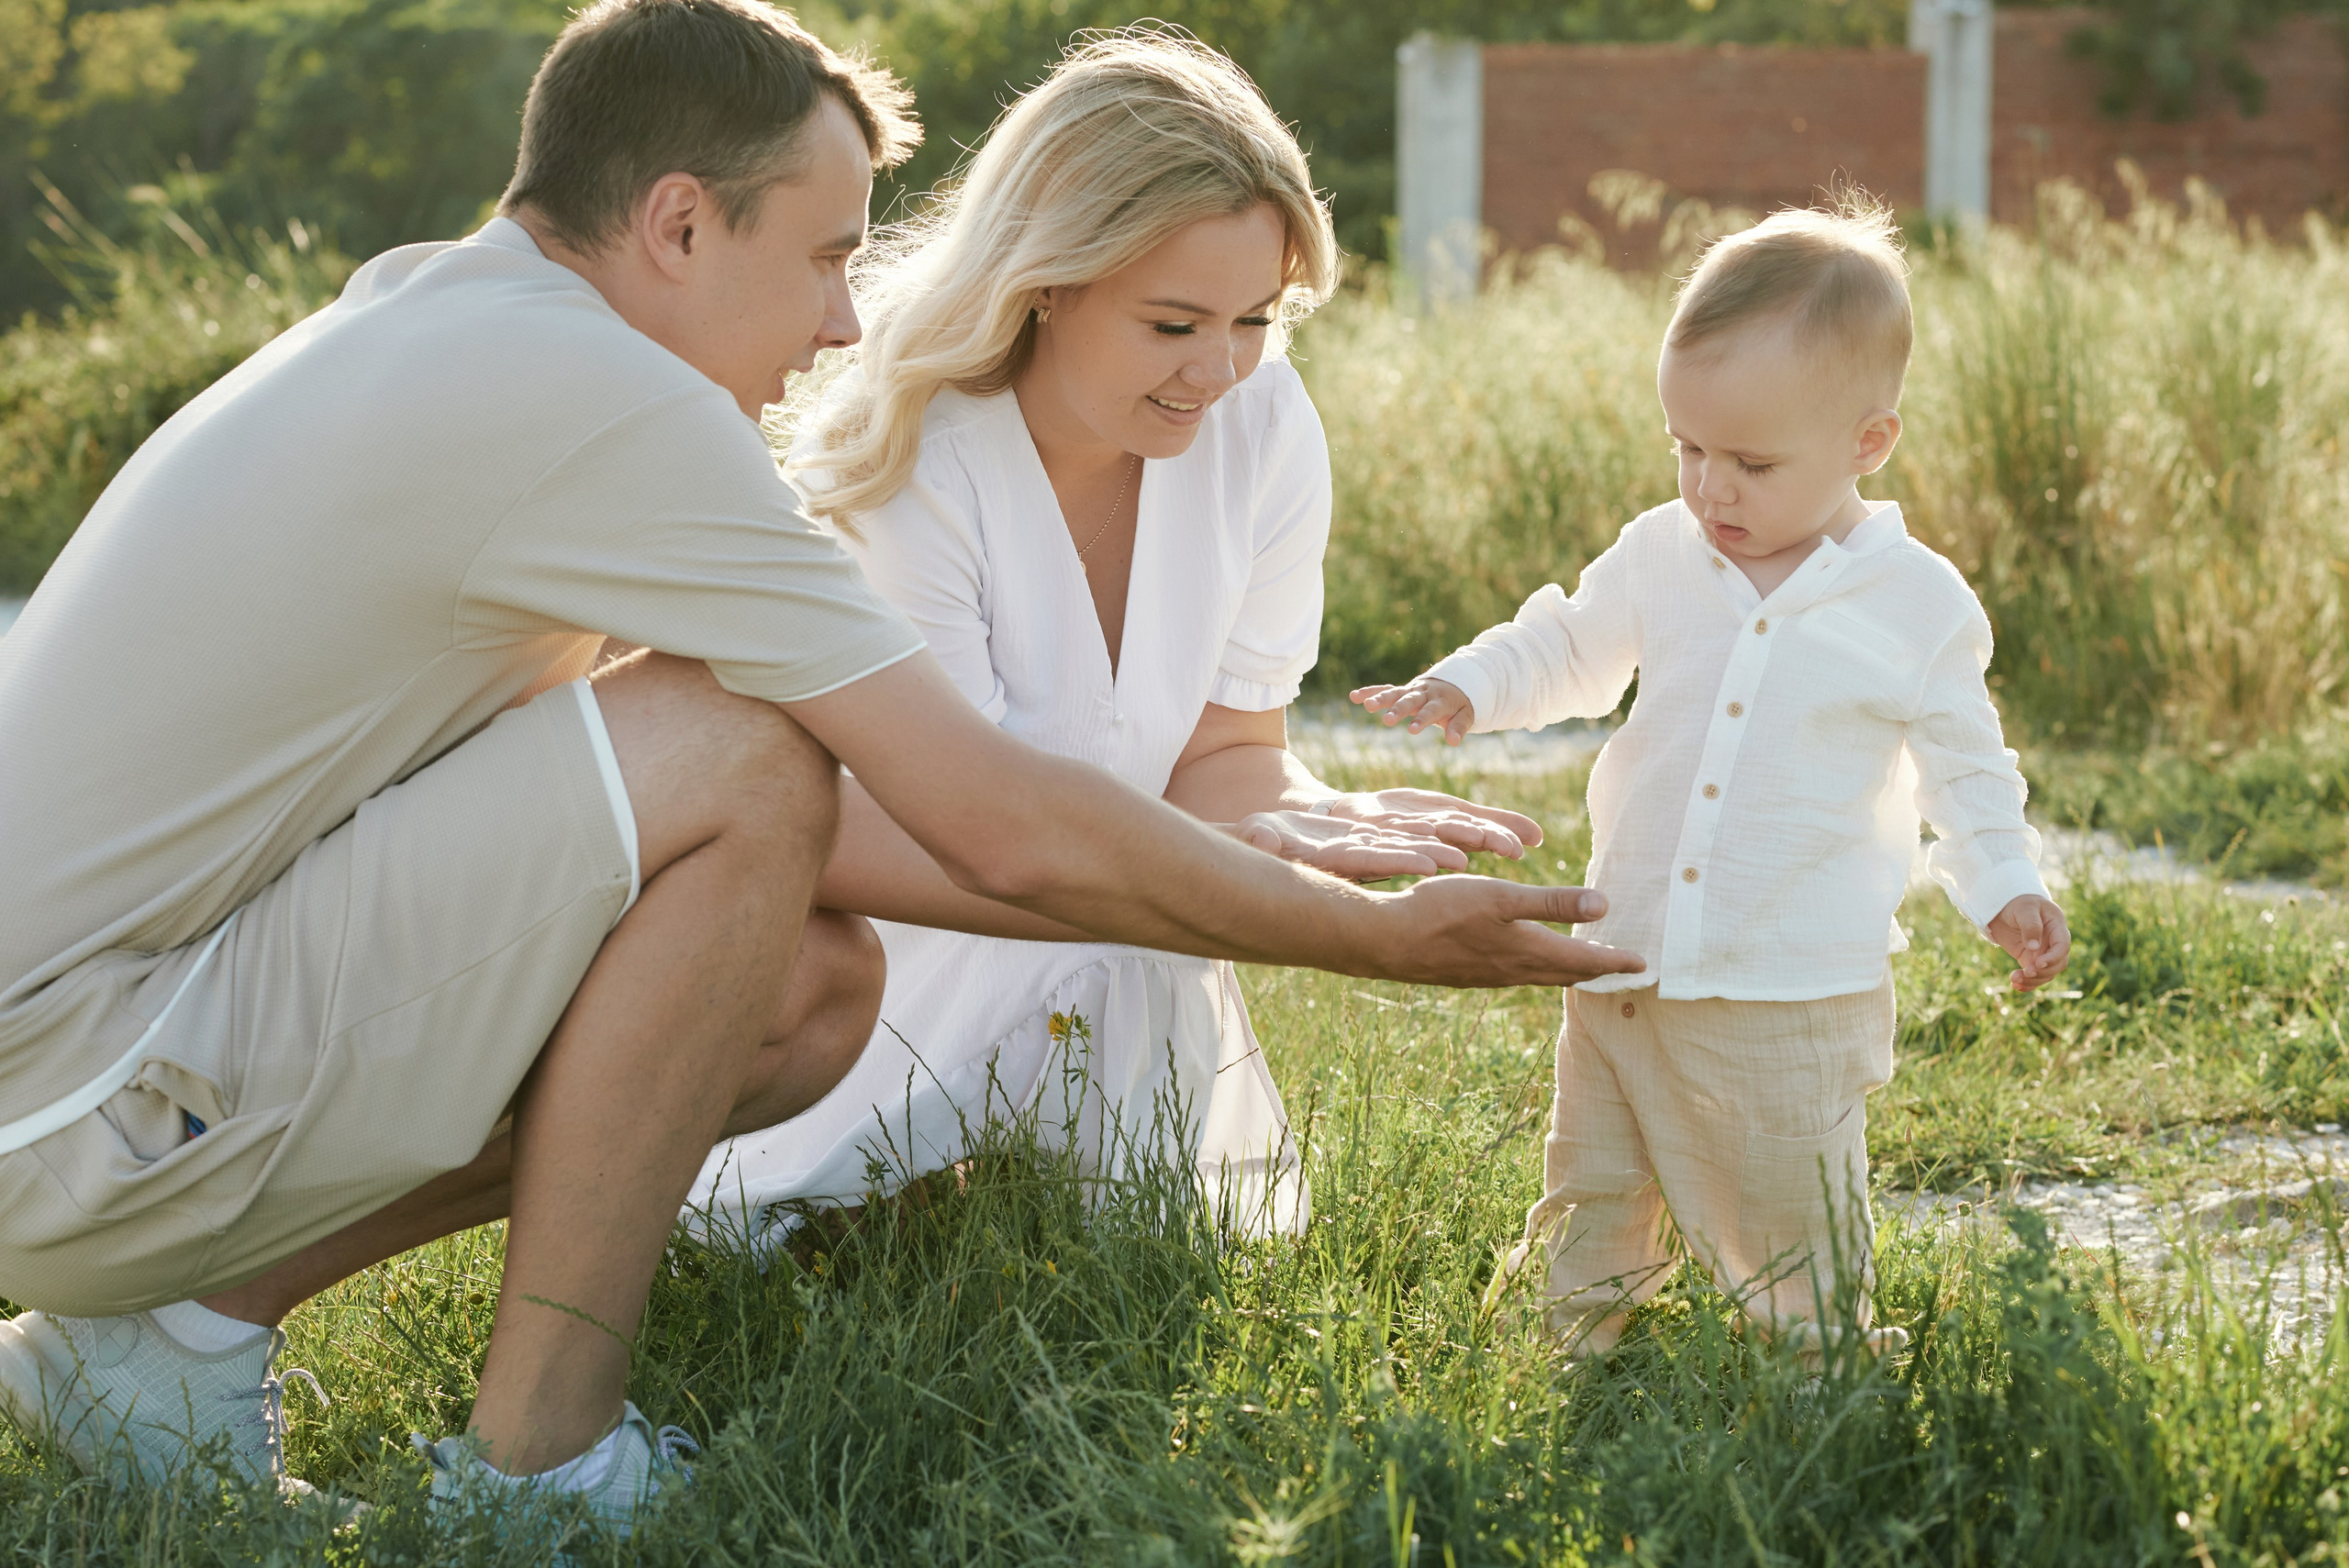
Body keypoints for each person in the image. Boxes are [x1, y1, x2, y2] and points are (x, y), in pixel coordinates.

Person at [0, 0, 1642, 1527]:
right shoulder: (605, 404)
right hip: (75, 1098)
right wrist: (1369, 938)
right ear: (679, 224)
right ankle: (546, 1458)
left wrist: (1279, 839)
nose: (849, 314)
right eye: (824, 256)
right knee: (746, 742)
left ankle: (175, 1334)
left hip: (97, 1061)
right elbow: (982, 816)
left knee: (798, 991)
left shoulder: (450, 317)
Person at [692, 34, 1540, 1242]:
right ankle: (856, 1175)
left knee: (1139, 1021)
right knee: (1119, 958)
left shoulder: (1264, 421)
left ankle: (1029, 1192)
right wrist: (1243, 876)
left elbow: (1227, 752)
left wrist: (1299, 818)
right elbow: (972, 837)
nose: (1220, 369)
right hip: (918, 921)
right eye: (1174, 323)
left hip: (1123, 905)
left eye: (1254, 317)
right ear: (1048, 279)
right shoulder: (918, 458)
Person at [1354, 197, 2072, 1357]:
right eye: (1686, 448)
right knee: (1592, 1185)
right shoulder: (1662, 551)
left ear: (1867, 442)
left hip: (1786, 988)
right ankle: (1575, 1347)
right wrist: (1470, 683)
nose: (1710, 488)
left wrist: (2004, 883)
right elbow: (1568, 643)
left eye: (1750, 462)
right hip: (1624, 959)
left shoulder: (1915, 604)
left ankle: (1818, 1365)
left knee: (1787, 1215)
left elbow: (1968, 768)